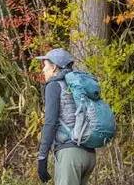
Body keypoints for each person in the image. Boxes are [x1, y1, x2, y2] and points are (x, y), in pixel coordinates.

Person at [35, 48, 96, 185]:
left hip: (70, 155)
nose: (43, 70)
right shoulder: (78, 85)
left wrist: (42, 156)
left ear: (54, 66)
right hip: (89, 154)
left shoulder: (54, 86)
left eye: (45, 66)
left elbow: (50, 123)